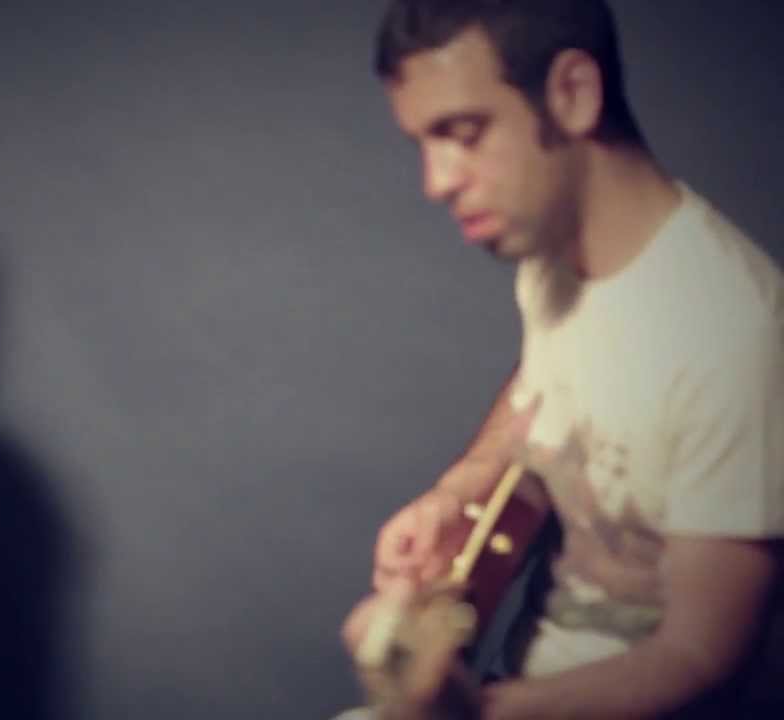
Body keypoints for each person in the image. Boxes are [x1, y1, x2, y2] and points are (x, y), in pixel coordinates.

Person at [336, 1, 783, 718]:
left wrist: (472, 712)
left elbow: (702, 658)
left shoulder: (739, 334)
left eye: (463, 134)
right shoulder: (554, 257)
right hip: (517, 679)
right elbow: (546, 396)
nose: (435, 181)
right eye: (423, 144)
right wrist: (458, 491)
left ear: (572, 93)